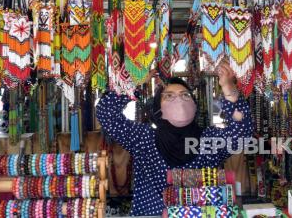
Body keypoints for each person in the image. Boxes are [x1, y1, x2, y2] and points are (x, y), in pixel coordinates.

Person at [96, 63, 253, 216]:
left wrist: (228, 88)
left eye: (185, 95)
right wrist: (132, 82)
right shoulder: (143, 138)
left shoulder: (209, 140)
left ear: (194, 106)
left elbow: (242, 134)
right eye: (169, 96)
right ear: (159, 110)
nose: (179, 99)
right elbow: (106, 113)